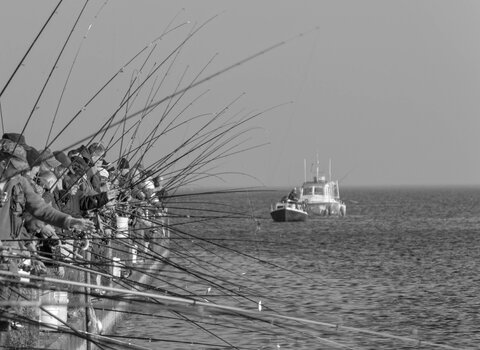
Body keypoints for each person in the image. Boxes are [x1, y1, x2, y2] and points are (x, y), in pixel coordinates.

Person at [0, 139, 95, 270]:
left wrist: (69, 221)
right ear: (3, 163)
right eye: (16, 168)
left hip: (10, 257)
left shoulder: (20, 183)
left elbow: (41, 208)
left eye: (22, 169)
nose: (20, 173)